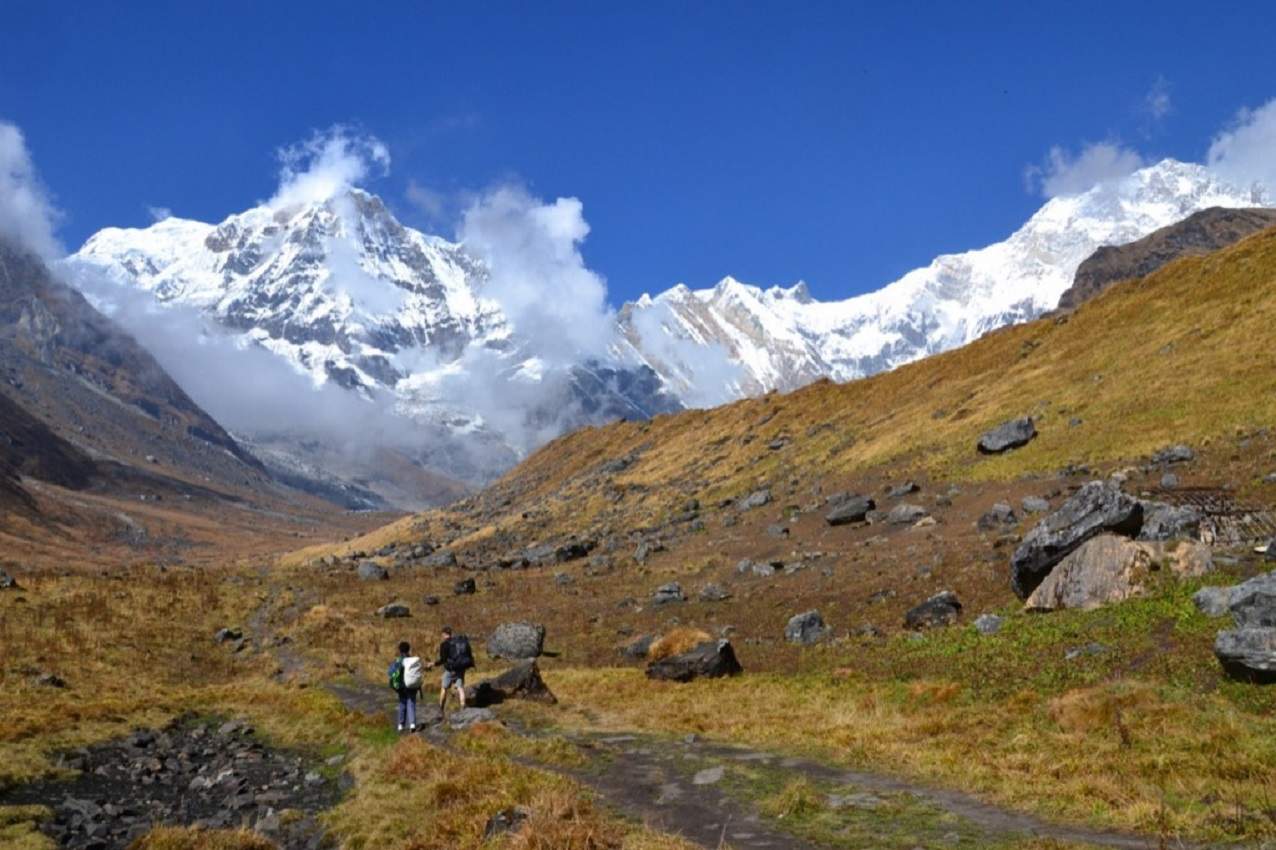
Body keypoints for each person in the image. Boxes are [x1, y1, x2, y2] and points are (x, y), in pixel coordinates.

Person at [429, 626, 474, 716]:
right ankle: (463, 705)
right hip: (461, 668)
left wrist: (433, 664)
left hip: (450, 669)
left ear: (444, 634)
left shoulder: (444, 644)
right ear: (451, 633)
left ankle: (441, 708)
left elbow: (443, 660)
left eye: (442, 634)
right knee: (460, 687)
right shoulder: (459, 642)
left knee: (444, 688)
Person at [387, 640, 424, 733]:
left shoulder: (398, 660)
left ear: (399, 650)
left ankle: (401, 725)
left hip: (401, 687)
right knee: (411, 703)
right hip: (412, 686)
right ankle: (412, 724)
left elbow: (390, 672)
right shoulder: (413, 660)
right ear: (409, 649)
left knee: (402, 704)